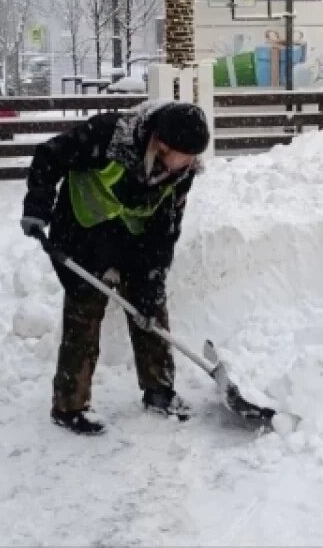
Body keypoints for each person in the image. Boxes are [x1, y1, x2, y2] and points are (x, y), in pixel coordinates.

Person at [20, 100, 210, 435]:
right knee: (84, 309)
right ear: (162, 145)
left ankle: (159, 391)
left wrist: (155, 275)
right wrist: (38, 206)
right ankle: (69, 406)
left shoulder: (184, 172)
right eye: (187, 155)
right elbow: (50, 155)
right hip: (83, 231)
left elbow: (168, 225)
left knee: (150, 306)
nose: (193, 163)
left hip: (137, 239)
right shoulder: (107, 134)